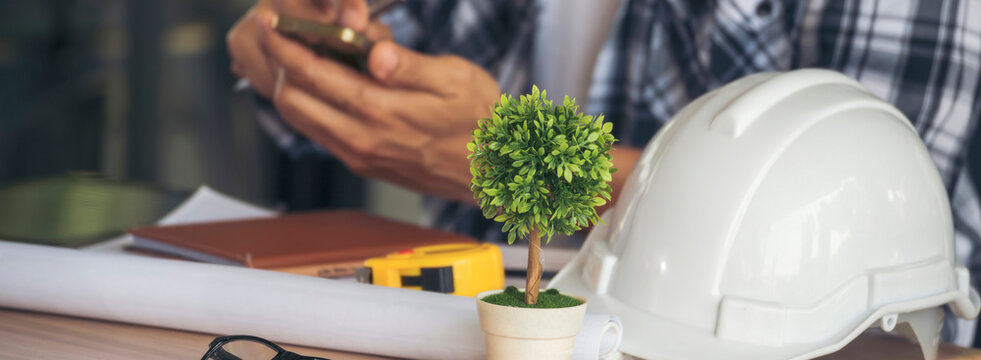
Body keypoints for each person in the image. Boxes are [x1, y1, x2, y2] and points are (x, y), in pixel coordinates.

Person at [228, 0, 981, 345]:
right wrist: (296, 52)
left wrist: (500, 154)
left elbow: (873, 218)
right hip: (462, 323)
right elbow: (375, 60)